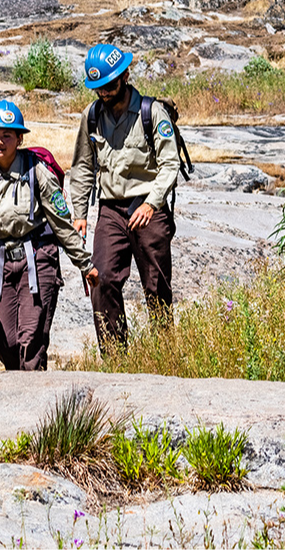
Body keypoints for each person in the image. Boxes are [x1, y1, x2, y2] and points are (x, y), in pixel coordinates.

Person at [0, 100, 98, 371]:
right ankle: (18, 386)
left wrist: (85, 263)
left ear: (20, 138)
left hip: (37, 260)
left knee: (31, 340)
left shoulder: (37, 171)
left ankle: (33, 393)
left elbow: (61, 223)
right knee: (2, 341)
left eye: (7, 135)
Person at [69, 43, 181, 353]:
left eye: (109, 85)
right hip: (110, 210)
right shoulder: (91, 116)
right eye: (98, 88)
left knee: (156, 286)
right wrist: (80, 213)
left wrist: (151, 203)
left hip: (148, 207)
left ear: (125, 76)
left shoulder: (151, 112)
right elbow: (82, 167)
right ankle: (115, 358)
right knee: (101, 278)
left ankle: (165, 354)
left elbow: (170, 164)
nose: (104, 93)